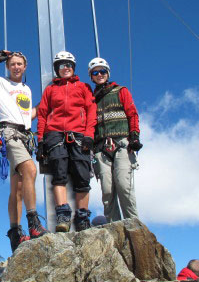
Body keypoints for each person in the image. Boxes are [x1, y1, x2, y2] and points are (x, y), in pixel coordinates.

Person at [0, 50, 47, 253]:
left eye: (19, 64)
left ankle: (15, 233)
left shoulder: (27, 89)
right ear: (8, 66)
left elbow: (26, 115)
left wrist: (42, 107)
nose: (16, 67)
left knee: (19, 186)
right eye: (12, 64)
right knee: (30, 170)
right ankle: (34, 224)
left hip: (24, 136)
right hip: (9, 133)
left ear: (25, 67)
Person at [36, 51, 97, 232]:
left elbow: (91, 111)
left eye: (69, 65)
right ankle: (63, 214)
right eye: (62, 65)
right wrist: (41, 140)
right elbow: (42, 115)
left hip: (78, 134)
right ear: (57, 69)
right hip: (55, 134)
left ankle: (83, 216)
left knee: (82, 176)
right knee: (59, 175)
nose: (66, 68)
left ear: (74, 68)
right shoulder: (51, 89)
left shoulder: (83, 87)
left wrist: (89, 135)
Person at [88, 57, 142, 222]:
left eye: (102, 71)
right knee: (107, 191)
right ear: (91, 76)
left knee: (124, 186)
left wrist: (134, 135)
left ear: (108, 73)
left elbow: (132, 113)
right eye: (95, 72)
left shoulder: (120, 91)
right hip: (101, 148)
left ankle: (133, 225)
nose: (99, 75)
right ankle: (114, 228)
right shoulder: (91, 99)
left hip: (122, 143)